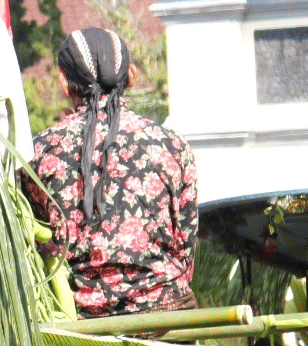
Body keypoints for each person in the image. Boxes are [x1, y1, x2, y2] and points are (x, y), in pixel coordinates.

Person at [29, 26, 196, 319]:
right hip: (167, 314)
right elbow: (186, 247)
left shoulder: (38, 152)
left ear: (63, 82)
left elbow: (38, 244)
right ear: (131, 77)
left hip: (83, 327)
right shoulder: (172, 145)